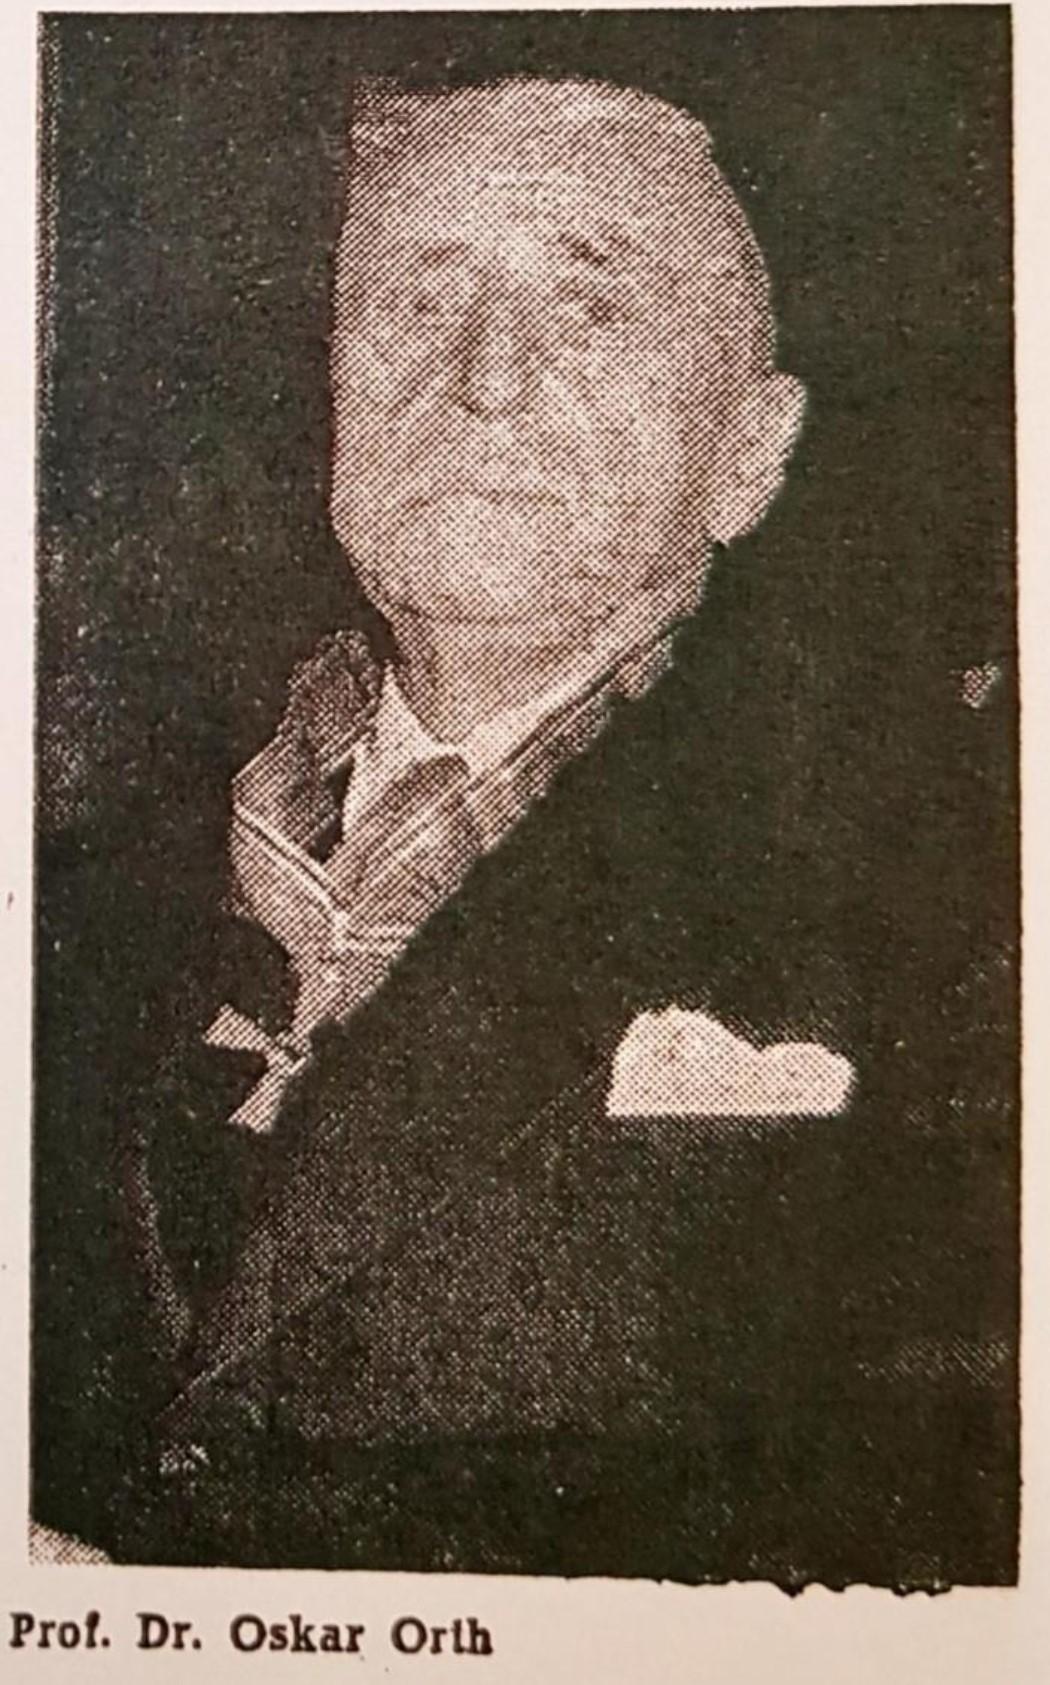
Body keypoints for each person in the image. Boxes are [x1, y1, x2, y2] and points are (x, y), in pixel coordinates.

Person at [34, 76, 1017, 1584]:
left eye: (590, 310)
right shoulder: (85, 881)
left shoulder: (955, 903)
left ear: (752, 453)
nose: (485, 378)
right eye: (416, 306)